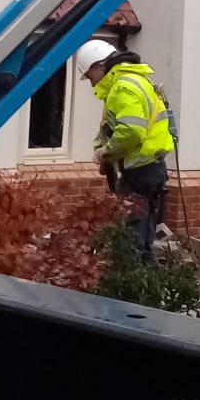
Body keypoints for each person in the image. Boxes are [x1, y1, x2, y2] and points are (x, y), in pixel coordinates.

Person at [76, 38, 176, 261]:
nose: (91, 83)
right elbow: (112, 128)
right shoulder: (133, 81)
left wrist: (105, 153)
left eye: (89, 75)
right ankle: (146, 288)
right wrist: (103, 150)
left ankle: (132, 290)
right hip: (150, 170)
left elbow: (131, 132)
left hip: (139, 172)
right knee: (143, 238)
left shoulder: (123, 87)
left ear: (99, 65)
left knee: (132, 241)